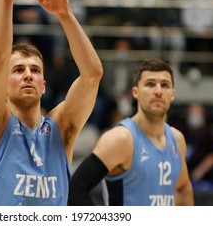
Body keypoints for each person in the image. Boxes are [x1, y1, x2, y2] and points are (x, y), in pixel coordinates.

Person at [0, 0, 103, 206]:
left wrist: (65, 15)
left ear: (43, 85)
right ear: (4, 83)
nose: (28, 75)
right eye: (18, 70)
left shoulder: (61, 127)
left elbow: (92, 75)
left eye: (35, 70)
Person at [68, 58, 194, 206]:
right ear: (135, 92)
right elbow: (74, 189)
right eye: (150, 84)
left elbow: (183, 188)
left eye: (165, 85)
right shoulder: (121, 138)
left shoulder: (177, 139)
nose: (158, 91)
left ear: (172, 94)